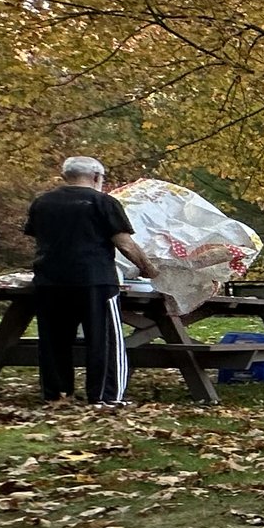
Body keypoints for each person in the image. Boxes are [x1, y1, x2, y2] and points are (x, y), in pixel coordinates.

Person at [24, 156, 158, 407]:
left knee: (53, 341)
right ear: (97, 177)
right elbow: (124, 243)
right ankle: (105, 396)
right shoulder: (103, 202)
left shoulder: (42, 203)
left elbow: (38, 236)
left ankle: (57, 395)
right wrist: (148, 269)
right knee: (104, 339)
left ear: (66, 176)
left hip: (49, 280)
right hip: (95, 280)